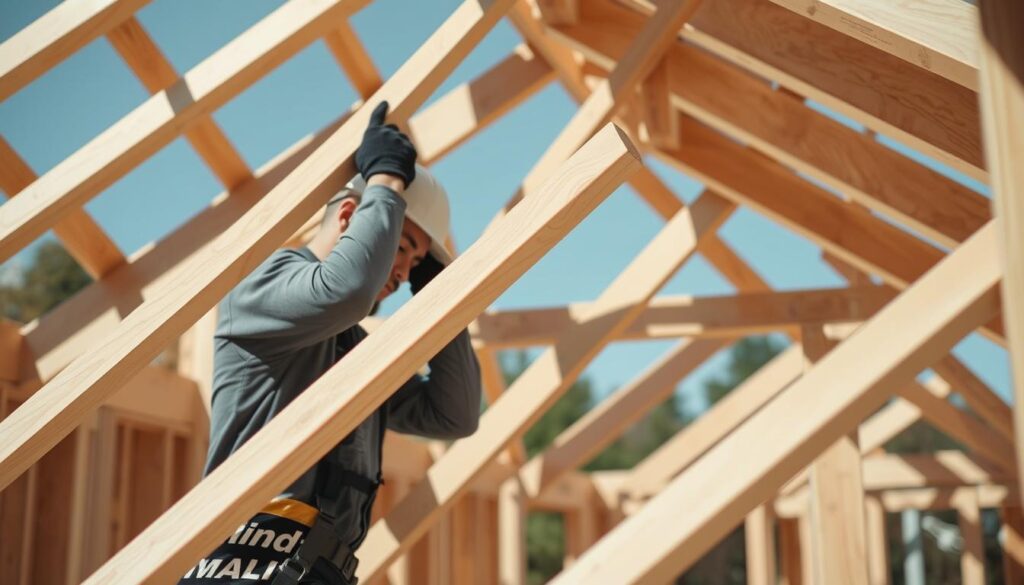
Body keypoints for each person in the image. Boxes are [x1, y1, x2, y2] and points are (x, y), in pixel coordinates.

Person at [179, 102, 481, 585]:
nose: (402, 273)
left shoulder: (359, 355)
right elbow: (347, 291)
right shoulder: (260, 294)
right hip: (243, 568)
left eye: (414, 265)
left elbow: (455, 415)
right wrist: (385, 180)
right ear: (348, 216)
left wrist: (438, 293)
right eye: (402, 247)